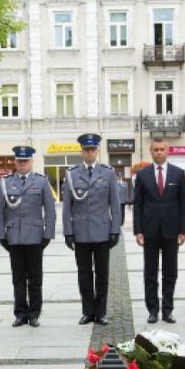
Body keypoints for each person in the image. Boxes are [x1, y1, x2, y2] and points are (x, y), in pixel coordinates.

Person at [62, 133, 121, 326]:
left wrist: (115, 230)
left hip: (102, 232)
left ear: (97, 150)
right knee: (84, 274)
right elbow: (67, 206)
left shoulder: (108, 173)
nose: (89, 152)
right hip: (80, 233)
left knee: (102, 274)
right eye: (86, 149)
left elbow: (115, 204)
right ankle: (87, 312)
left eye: (92, 149)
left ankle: (101, 312)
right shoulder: (72, 174)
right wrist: (68, 232)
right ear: (82, 151)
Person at [0, 145, 56, 328]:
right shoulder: (5, 182)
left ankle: (34, 314)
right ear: (15, 162)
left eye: (25, 161)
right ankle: (20, 313)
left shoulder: (41, 182)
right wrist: (1, 236)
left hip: (35, 237)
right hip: (14, 237)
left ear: (31, 162)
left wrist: (47, 235)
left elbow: (50, 210)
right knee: (18, 278)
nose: (22, 164)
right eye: (19, 161)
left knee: (35, 279)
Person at [133, 137, 185, 324]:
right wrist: (138, 230)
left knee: (170, 273)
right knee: (150, 273)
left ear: (167, 151)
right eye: (155, 149)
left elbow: (184, 203)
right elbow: (138, 204)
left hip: (171, 232)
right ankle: (152, 310)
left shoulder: (178, 174)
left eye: (162, 149)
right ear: (150, 151)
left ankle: (167, 310)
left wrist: (183, 230)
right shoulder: (142, 175)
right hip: (149, 231)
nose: (158, 152)